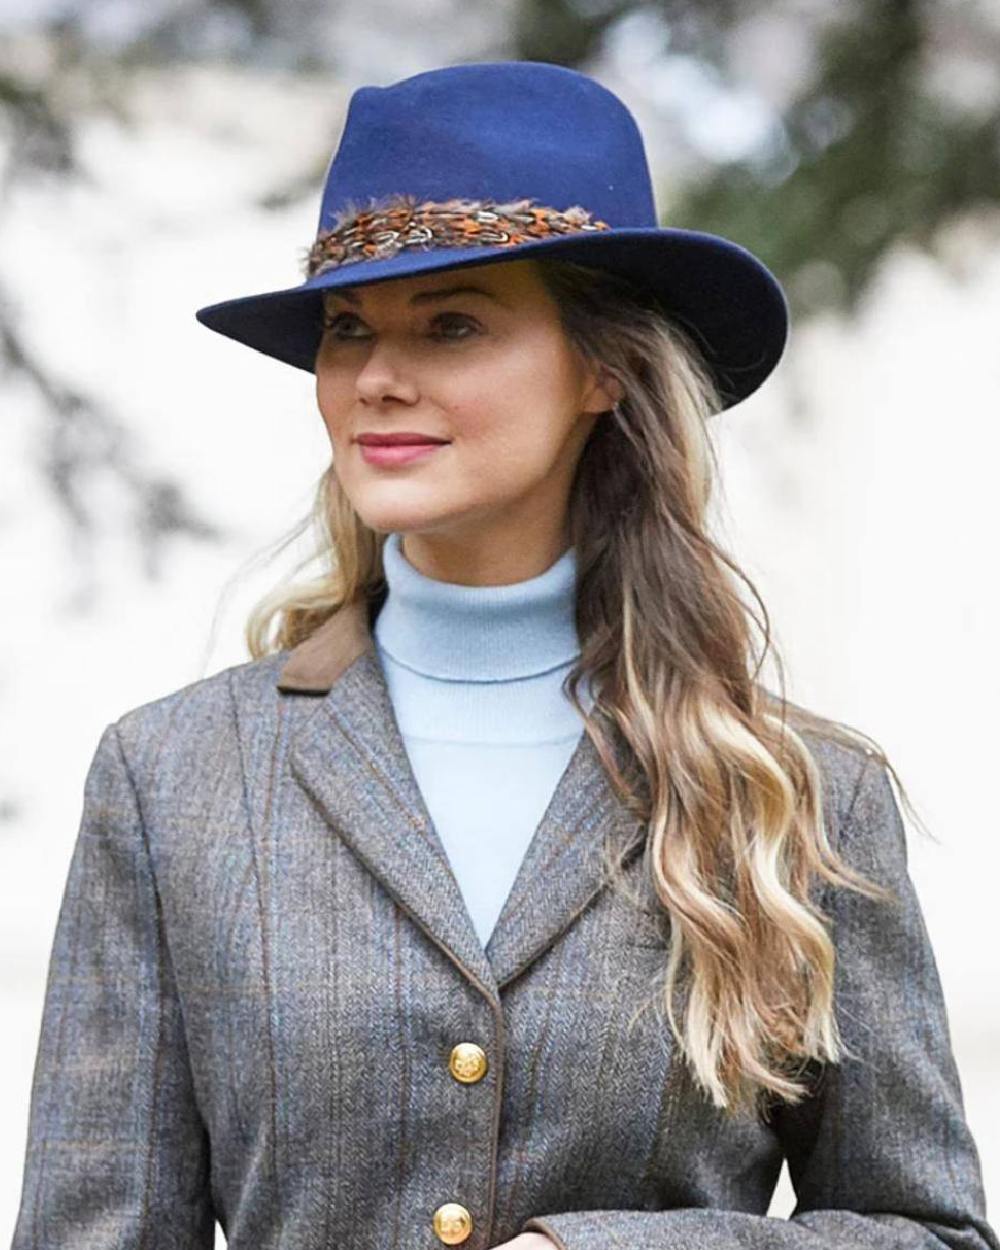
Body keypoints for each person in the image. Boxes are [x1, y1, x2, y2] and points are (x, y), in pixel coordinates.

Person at [10, 59, 997, 1250]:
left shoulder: (795, 795)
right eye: (347, 329)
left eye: (454, 323)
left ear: (604, 366)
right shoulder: (173, 777)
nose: (376, 376)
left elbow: (927, 1233)